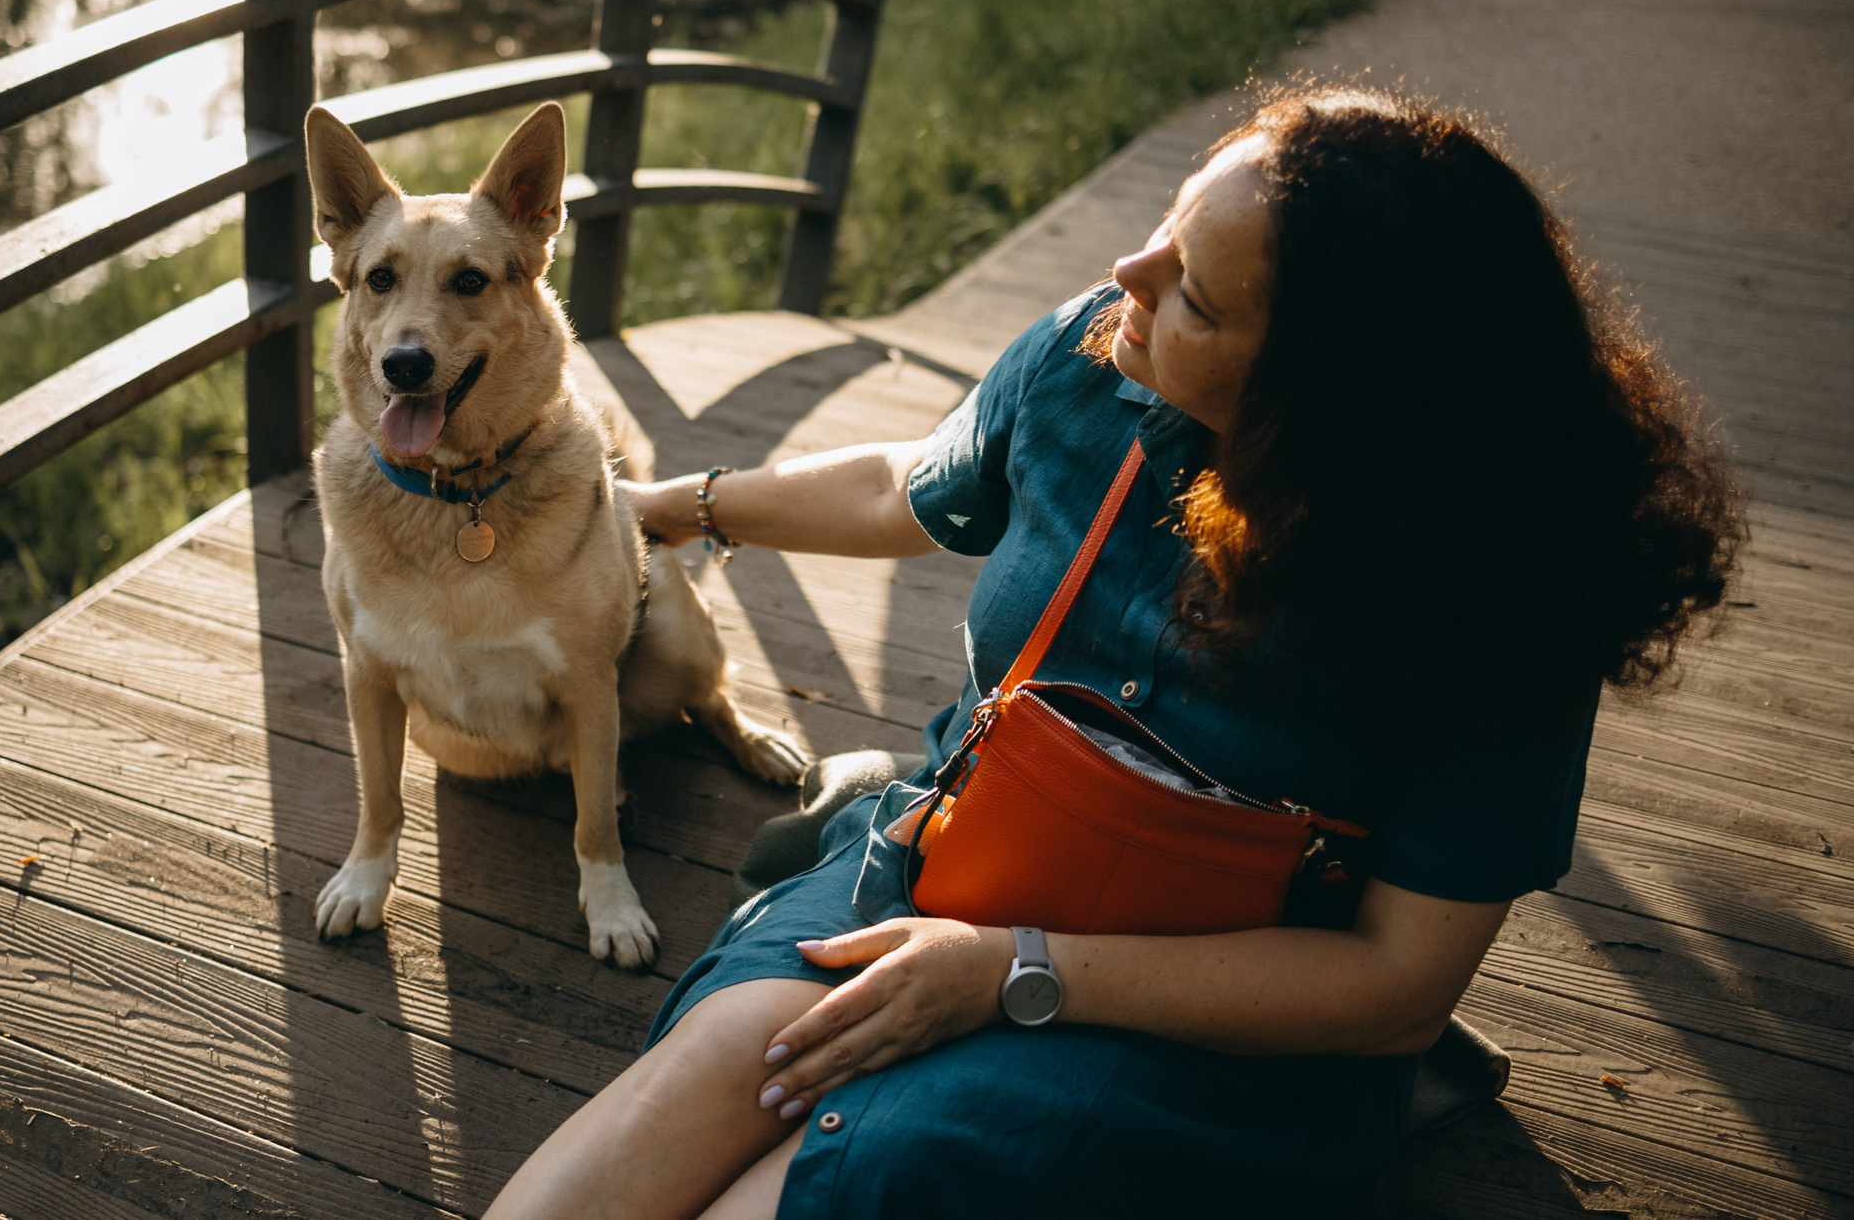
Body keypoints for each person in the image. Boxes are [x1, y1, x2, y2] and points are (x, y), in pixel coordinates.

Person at [487, 87, 1740, 1219]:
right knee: (728, 1062)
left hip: (1211, 1032)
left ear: (1323, 394)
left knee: (868, 1172)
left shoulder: (1500, 598)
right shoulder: (1093, 353)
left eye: (1194, 292)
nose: (1128, 274)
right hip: (952, 866)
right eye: (1167, 229)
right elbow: (903, 485)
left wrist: (1011, 974)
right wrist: (665, 506)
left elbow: (1399, 987)